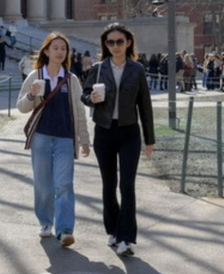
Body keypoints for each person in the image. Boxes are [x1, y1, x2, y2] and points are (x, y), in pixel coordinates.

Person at [81, 23, 155, 257]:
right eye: (110, 42)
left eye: (119, 42)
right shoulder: (98, 69)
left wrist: (149, 138)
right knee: (108, 185)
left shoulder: (137, 70)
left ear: (128, 43)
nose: (115, 46)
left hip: (129, 132)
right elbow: (84, 94)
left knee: (127, 186)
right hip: (104, 131)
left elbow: (145, 105)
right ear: (105, 45)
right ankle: (112, 230)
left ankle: (127, 237)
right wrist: (91, 98)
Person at [17, 32, 90, 248]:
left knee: (64, 184)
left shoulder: (71, 79)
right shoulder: (35, 76)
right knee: (43, 184)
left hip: (65, 138)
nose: (60, 51)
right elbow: (22, 107)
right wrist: (31, 94)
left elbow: (79, 111)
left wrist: (84, 139)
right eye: (55, 47)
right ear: (46, 51)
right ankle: (45, 222)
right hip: (41, 137)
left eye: (63, 48)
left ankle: (65, 229)